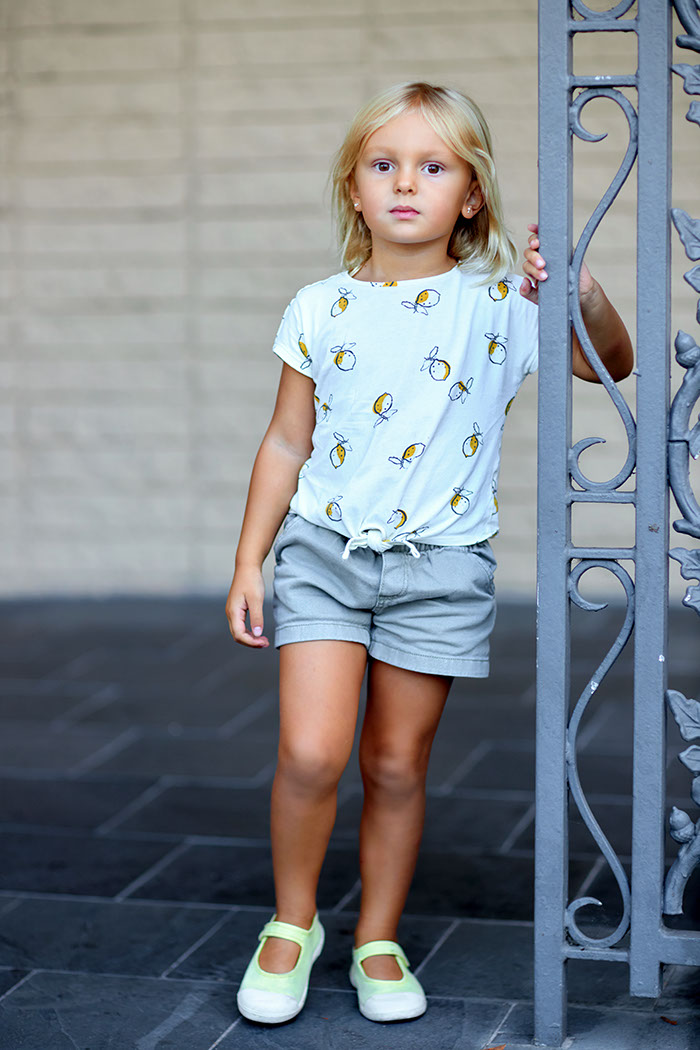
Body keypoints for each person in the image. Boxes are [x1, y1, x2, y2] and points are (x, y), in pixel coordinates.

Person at [225, 81, 633, 1026]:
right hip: (324, 556)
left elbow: (607, 362)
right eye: (384, 165)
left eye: (433, 166)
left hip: (441, 569)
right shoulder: (318, 307)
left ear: (472, 194)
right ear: (355, 187)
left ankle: (377, 937)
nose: (406, 183)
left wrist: (580, 293)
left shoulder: (500, 304)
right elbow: (285, 442)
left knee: (397, 765)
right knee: (310, 753)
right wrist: (251, 560)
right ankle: (292, 924)